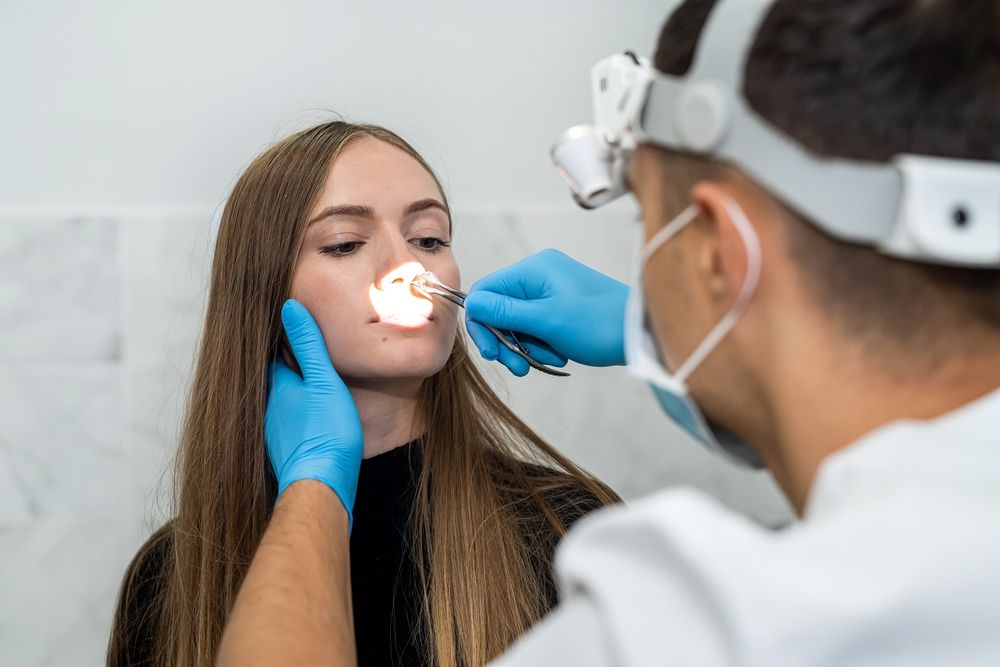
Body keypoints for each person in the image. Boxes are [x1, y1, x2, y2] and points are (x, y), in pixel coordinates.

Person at [217, 0, 1000, 665]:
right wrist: (648, 330)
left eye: (647, 223)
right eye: (346, 243)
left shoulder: (677, 616)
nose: (405, 264)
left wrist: (314, 488)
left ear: (724, 254)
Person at [106, 120, 617, 667]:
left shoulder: (571, 533)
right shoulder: (170, 576)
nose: (408, 267)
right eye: (344, 243)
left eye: (429, 239)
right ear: (262, 297)